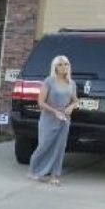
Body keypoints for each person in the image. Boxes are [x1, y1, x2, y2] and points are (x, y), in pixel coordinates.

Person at [28, 55, 78, 186]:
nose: (64, 67)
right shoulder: (49, 81)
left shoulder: (71, 83)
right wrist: (55, 111)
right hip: (48, 118)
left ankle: (55, 176)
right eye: (60, 65)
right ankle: (35, 170)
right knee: (44, 145)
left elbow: (76, 100)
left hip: (64, 120)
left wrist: (71, 107)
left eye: (66, 64)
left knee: (59, 148)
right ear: (55, 67)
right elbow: (40, 102)